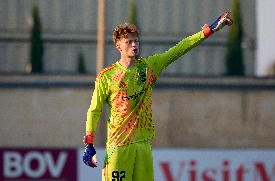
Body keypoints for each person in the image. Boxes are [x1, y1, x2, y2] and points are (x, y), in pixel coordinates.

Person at [83, 11, 233, 181]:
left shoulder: (149, 67)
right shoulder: (107, 76)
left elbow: (179, 49)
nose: (134, 45)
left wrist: (209, 30)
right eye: (129, 41)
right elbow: (94, 110)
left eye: (136, 41)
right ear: (118, 45)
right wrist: (89, 143)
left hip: (143, 146)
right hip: (118, 147)